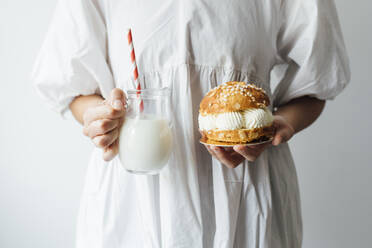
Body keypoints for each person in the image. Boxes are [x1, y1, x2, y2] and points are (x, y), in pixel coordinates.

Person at [31, 0, 350, 247]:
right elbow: (73, 85)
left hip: (247, 193)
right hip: (134, 195)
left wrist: (280, 124)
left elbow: (317, 82)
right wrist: (96, 115)